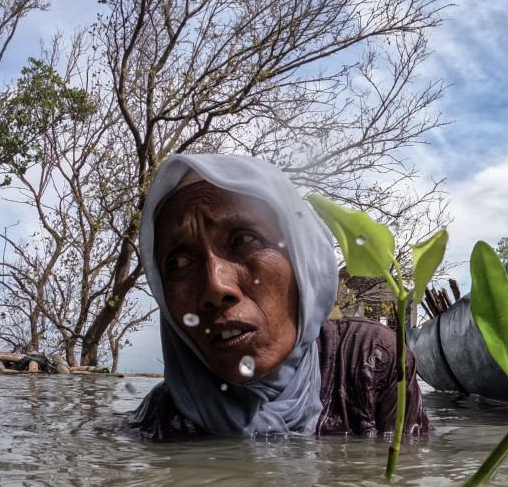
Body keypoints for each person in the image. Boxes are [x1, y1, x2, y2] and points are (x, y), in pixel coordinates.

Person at [129, 154, 431, 440]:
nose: (215, 287)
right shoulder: (161, 419)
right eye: (179, 263)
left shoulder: (369, 361)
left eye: (244, 240)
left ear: (304, 260)